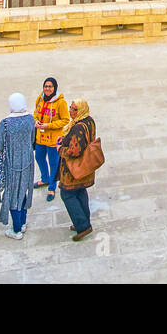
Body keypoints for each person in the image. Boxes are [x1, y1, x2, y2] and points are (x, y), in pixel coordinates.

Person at [0, 93, 35, 240]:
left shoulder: (5, 123)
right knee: (23, 191)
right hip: (28, 161)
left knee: (12, 195)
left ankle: (17, 229)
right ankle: (23, 223)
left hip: (12, 164)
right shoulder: (30, 119)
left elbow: (0, 145)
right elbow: (32, 139)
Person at [58, 98, 97, 241]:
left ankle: (83, 226)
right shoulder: (89, 121)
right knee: (80, 192)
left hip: (73, 170)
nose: (70, 111)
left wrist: (61, 149)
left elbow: (75, 151)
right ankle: (83, 221)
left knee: (67, 194)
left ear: (80, 110)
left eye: (74, 109)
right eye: (70, 108)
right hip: (85, 169)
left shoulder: (78, 127)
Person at [32, 77, 69, 200]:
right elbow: (36, 112)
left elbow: (65, 120)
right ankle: (45, 178)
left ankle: (52, 187)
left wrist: (49, 125)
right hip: (40, 137)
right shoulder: (40, 98)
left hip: (53, 139)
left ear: (55, 88)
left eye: (50, 86)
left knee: (54, 163)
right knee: (39, 157)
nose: (47, 89)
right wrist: (36, 121)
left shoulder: (60, 102)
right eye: (46, 86)